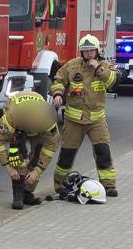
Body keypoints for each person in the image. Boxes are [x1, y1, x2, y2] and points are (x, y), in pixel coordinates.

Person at [50, 35, 119, 197]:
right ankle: (60, 184)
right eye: (85, 51)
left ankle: (108, 185)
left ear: (97, 51)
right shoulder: (72, 66)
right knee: (67, 154)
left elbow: (113, 82)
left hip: (97, 120)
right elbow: (58, 80)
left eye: (91, 50)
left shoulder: (105, 66)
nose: (88, 53)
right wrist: (57, 94)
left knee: (103, 152)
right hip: (74, 120)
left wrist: (98, 69)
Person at [0, 90, 60, 210]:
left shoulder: (48, 119)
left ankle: (27, 192)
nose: (32, 131)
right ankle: (18, 195)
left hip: (36, 117)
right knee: (18, 157)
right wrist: (8, 167)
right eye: (31, 128)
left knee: (36, 157)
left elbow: (51, 145)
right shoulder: (13, 116)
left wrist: (37, 171)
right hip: (18, 119)